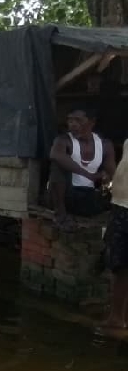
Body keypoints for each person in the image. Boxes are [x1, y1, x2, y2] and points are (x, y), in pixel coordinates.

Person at [48, 107, 115, 229]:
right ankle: (60, 215)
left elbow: (112, 173)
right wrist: (89, 175)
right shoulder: (63, 140)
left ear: (92, 122)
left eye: (78, 120)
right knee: (57, 165)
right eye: (70, 120)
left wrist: (104, 177)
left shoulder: (105, 145)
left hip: (89, 199)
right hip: (67, 198)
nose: (72, 124)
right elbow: (56, 155)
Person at [104, 139, 128, 329]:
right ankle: (119, 316)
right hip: (120, 205)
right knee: (119, 264)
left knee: (122, 267)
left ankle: (117, 318)